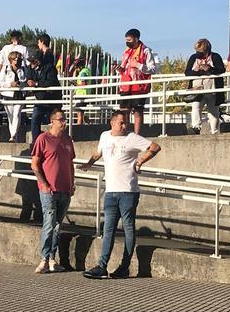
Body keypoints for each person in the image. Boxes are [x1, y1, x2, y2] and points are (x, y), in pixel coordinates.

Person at [81, 111, 161, 279]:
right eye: (121, 123)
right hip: (110, 190)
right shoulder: (105, 136)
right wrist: (89, 163)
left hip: (128, 192)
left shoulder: (132, 137)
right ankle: (102, 266)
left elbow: (154, 147)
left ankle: (124, 267)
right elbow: (98, 153)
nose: (125, 126)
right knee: (108, 229)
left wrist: (140, 161)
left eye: (126, 123)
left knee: (128, 228)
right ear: (112, 123)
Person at [30, 109, 75, 274]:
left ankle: (52, 259)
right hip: (48, 189)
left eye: (64, 119)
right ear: (52, 121)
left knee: (58, 225)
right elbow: (35, 164)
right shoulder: (43, 139)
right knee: (49, 223)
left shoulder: (68, 140)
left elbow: (70, 164)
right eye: (60, 119)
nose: (64, 122)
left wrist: (72, 183)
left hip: (65, 188)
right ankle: (44, 258)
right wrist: (45, 184)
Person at [117, 28, 158, 135]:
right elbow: (124, 67)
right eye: (126, 40)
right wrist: (119, 70)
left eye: (129, 40)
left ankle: (136, 135)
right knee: (124, 111)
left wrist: (139, 65)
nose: (127, 42)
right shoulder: (126, 52)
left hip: (139, 86)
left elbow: (153, 69)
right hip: (125, 85)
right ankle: (125, 133)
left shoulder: (146, 50)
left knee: (137, 111)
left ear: (136, 39)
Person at [183, 39, 226, 135]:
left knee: (213, 110)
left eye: (201, 52)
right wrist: (200, 72)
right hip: (197, 88)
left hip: (213, 88)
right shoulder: (194, 57)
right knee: (196, 107)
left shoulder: (215, 56)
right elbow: (187, 72)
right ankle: (196, 127)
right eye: (197, 51)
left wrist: (210, 69)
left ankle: (214, 130)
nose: (198, 54)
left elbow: (221, 69)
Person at [27, 39, 61, 143]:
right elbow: (28, 79)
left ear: (39, 61)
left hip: (52, 99)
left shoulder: (50, 68)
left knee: (56, 120)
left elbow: (50, 82)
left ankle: (57, 140)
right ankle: (36, 142)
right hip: (41, 99)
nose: (31, 63)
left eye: (33, 61)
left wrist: (36, 84)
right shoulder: (31, 69)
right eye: (30, 61)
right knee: (35, 119)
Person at [0, 50, 29, 142]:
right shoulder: (5, 69)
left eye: (19, 59)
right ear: (11, 60)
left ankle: (13, 135)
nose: (18, 61)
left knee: (16, 114)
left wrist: (22, 83)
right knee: (10, 115)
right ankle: (13, 135)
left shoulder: (24, 69)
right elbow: (0, 82)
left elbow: (26, 80)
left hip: (19, 95)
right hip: (8, 95)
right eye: (16, 59)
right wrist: (10, 84)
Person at [70, 58, 91, 127]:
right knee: (80, 112)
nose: (76, 68)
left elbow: (84, 84)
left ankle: (79, 129)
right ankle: (89, 122)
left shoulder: (83, 73)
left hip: (82, 94)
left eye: (77, 66)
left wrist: (75, 84)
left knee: (79, 113)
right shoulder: (86, 71)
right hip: (83, 94)